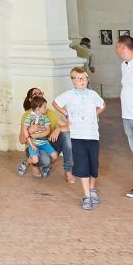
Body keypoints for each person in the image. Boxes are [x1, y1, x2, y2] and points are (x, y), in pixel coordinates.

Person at [53, 67, 105, 211]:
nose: (82, 81)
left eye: (84, 78)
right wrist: (67, 113)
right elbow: (55, 103)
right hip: (77, 135)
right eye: (79, 78)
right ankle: (87, 195)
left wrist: (94, 114)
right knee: (82, 165)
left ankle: (92, 188)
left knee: (93, 165)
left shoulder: (93, 94)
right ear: (73, 80)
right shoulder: (69, 95)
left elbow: (102, 105)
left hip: (92, 135)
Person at [17, 86, 75, 182]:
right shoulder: (27, 115)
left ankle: (68, 171)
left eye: (40, 93)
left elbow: (70, 127)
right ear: (31, 100)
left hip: (46, 143)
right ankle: (31, 163)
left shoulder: (49, 114)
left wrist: (59, 129)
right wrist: (30, 131)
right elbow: (21, 140)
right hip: (33, 146)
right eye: (35, 94)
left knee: (66, 134)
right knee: (45, 161)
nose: (39, 95)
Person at [114, 34, 133, 198]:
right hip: (127, 117)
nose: (115, 50)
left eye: (116, 46)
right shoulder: (124, 65)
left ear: (123, 47)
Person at [21, 96, 59, 170]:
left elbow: (48, 130)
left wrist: (37, 135)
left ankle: (47, 166)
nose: (46, 108)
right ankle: (27, 162)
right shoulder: (29, 117)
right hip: (33, 143)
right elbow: (25, 130)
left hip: (44, 143)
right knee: (35, 160)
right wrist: (31, 144)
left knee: (55, 156)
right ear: (38, 109)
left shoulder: (44, 117)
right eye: (44, 107)